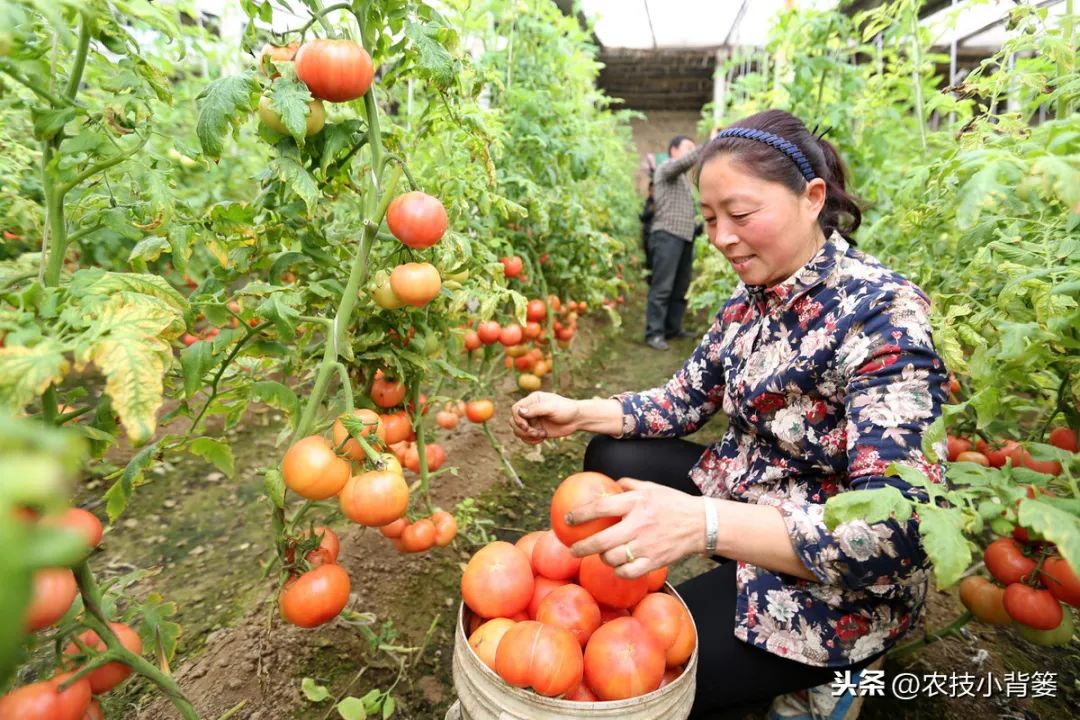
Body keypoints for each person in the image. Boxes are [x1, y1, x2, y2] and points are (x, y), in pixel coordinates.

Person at [510, 109, 950, 720]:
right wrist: (581, 411)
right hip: (756, 499)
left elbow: (900, 528)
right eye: (711, 219)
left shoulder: (884, 318)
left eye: (739, 216)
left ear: (811, 198)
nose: (719, 238)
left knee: (663, 678)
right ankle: (726, 576)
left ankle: (841, 669)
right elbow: (683, 401)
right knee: (612, 455)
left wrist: (704, 524)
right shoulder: (749, 302)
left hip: (844, 575)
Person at [644, 134, 706, 350]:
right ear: (674, 151)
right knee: (662, 287)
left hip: (683, 236)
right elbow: (683, 163)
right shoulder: (666, 169)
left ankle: (672, 328)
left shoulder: (682, 181)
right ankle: (654, 333)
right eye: (687, 147)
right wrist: (709, 144)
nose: (692, 151)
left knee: (680, 287)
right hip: (667, 235)